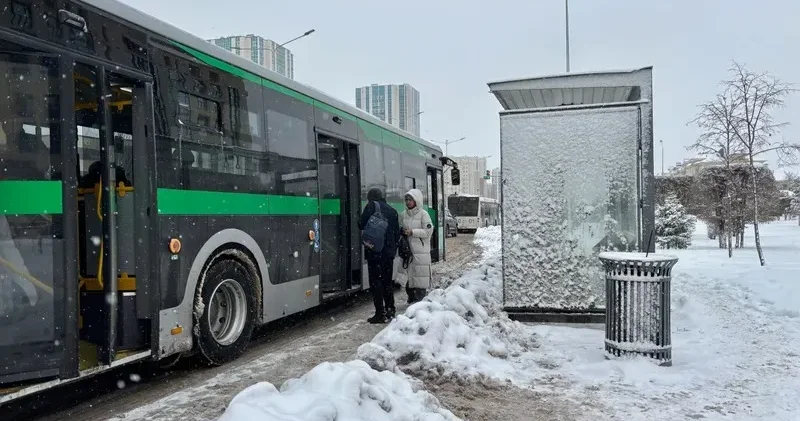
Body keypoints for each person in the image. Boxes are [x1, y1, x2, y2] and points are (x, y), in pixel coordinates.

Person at [359, 187, 401, 324]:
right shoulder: (392, 210)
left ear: (371, 198)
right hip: (389, 253)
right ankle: (391, 309)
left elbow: (361, 224)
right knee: (387, 281)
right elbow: (396, 233)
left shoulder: (371, 207)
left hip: (375, 251)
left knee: (376, 282)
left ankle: (380, 313)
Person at [397, 188, 433, 304]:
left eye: (410, 199)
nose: (408, 202)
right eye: (406, 199)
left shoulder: (424, 214)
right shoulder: (403, 215)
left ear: (416, 200)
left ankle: (419, 302)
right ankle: (411, 298)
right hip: (407, 252)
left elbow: (428, 232)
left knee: (420, 279)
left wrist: (413, 232)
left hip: (420, 252)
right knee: (409, 278)